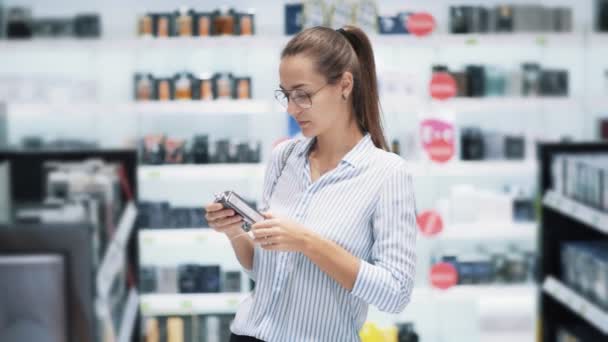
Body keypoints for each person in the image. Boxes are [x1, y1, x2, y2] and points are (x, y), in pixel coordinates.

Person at [204, 25, 417, 342]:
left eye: (303, 95)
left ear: (344, 85)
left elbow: (395, 293)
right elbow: (266, 274)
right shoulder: (283, 157)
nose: (291, 109)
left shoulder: (387, 173)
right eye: (286, 95)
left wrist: (307, 242)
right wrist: (235, 232)